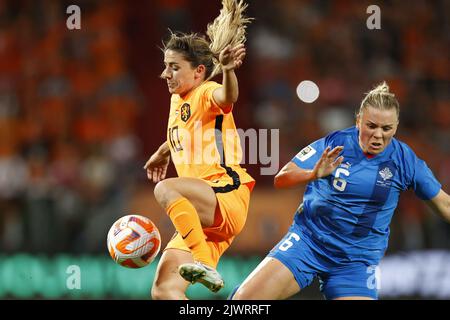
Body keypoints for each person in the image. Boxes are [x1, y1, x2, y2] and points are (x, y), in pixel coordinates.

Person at [232, 82, 450, 300]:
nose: (378, 135)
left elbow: (444, 204)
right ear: (358, 121)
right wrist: (313, 174)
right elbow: (283, 178)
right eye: (371, 126)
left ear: (396, 126)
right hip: (308, 243)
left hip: (355, 262)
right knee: (244, 301)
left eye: (386, 129)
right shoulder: (336, 143)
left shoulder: (404, 160)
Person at [144, 0, 254, 300]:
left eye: (174, 67)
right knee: (164, 290)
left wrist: (229, 71)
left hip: (225, 194)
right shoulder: (178, 100)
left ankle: (204, 263)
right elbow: (186, 131)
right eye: (165, 66)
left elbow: (227, 95)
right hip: (202, 216)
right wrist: (163, 151)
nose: (165, 74)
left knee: (166, 190)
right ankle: (203, 262)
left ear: (199, 71)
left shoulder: (205, 92)